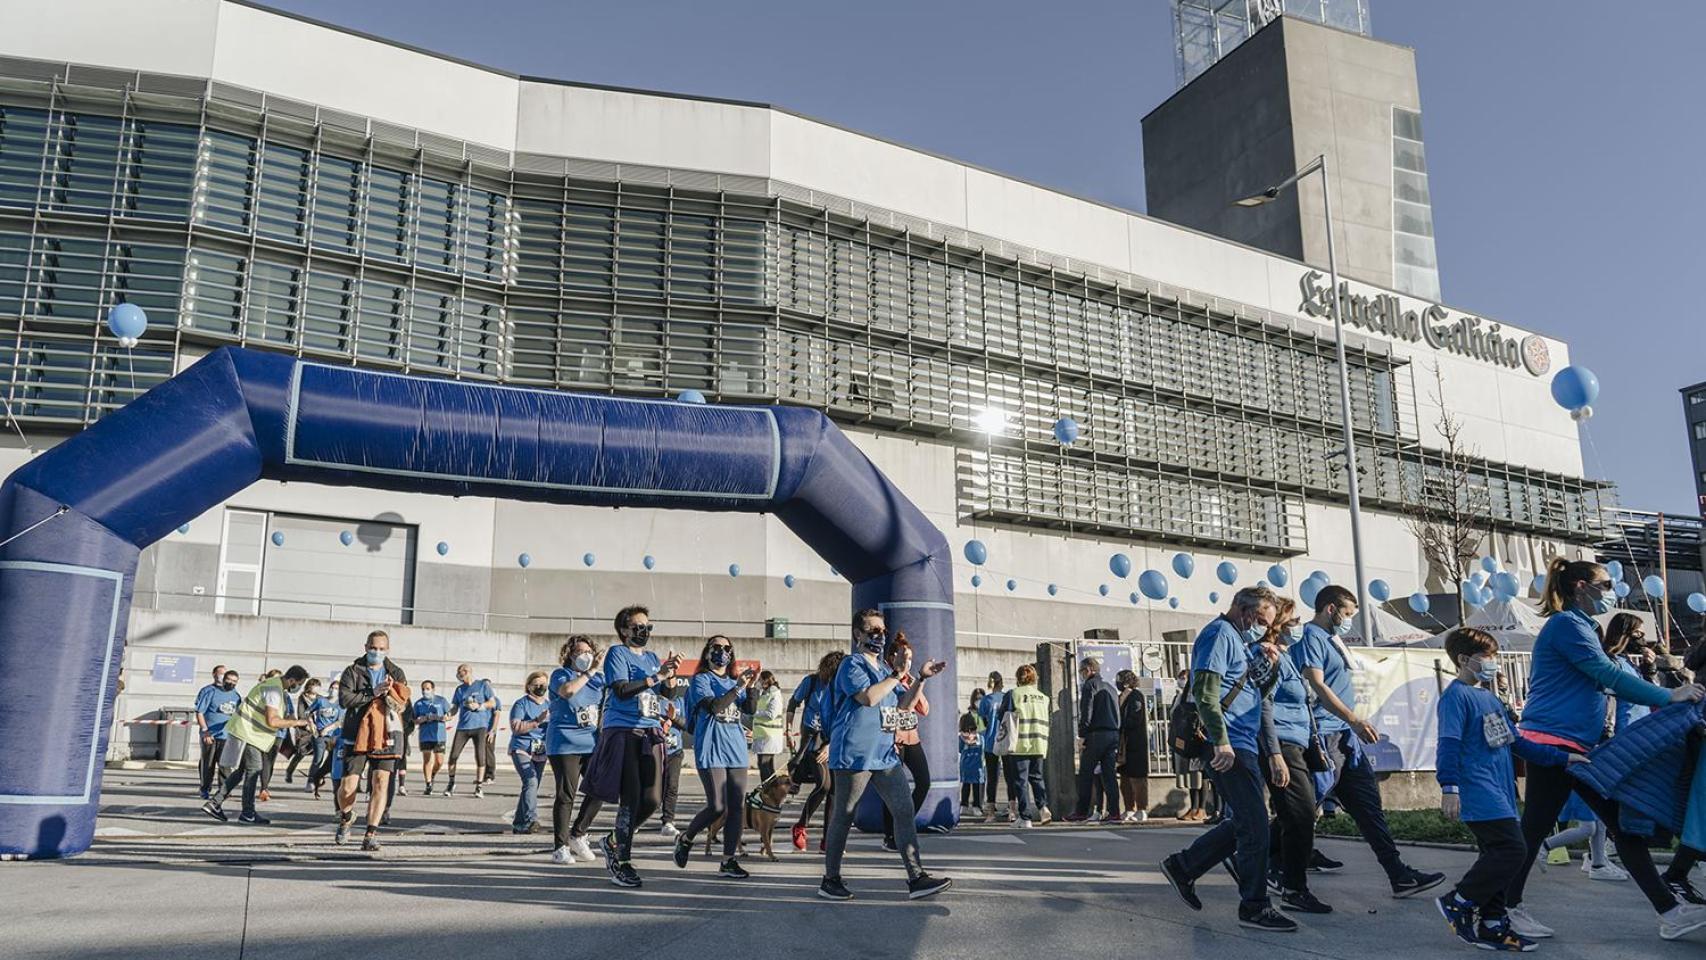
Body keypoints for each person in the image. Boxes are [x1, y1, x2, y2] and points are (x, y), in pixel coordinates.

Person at [1501, 557, 1706, 942]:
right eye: (1606, 584)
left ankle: (1671, 911)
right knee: (1534, 831)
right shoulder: (1565, 625)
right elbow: (1606, 674)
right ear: (1581, 586)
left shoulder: (1583, 626)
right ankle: (1504, 907)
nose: (1611, 592)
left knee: (1621, 827)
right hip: (1552, 743)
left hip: (1580, 746)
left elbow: (1605, 680)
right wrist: (1670, 694)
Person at [1291, 584, 1445, 898]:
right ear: (1330, 609)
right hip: (1324, 735)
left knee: (1368, 808)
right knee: (1303, 810)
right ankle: (1258, 856)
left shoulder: (1333, 639)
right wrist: (1353, 719)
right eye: (1347, 614)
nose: (1349, 621)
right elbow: (1317, 685)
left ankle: (1399, 875)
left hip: (1345, 737)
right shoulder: (1311, 637)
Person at [1434, 627, 1581, 952]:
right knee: (1513, 850)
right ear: (1464, 659)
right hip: (1477, 789)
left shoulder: (1489, 698)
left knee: (1500, 855)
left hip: (1500, 790)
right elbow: (1448, 744)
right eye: (1487, 657)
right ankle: (1459, 900)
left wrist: (1562, 758)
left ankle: (1492, 924)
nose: (1493, 663)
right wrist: (1450, 786)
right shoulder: (1455, 697)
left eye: (1494, 657)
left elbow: (1518, 743)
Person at [1159, 586, 1296, 932]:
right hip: (1227, 743)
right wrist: (1220, 741)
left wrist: (1271, 668)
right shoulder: (1219, 634)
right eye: (1260, 619)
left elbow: (1256, 694)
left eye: (1267, 623)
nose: (1263, 628)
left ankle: (1184, 866)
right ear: (1242, 609)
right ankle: (1254, 905)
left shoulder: (1241, 642)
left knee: (1249, 822)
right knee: (1255, 825)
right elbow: (1205, 691)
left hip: (1242, 742)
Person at [818, 609, 951, 901]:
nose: (879, 635)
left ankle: (916, 878)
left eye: (882, 630)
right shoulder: (851, 665)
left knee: (903, 811)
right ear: (857, 635)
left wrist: (920, 678)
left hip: (884, 754)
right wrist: (896, 674)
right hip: (855, 754)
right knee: (844, 814)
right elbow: (868, 698)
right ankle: (830, 879)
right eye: (872, 630)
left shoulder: (882, 670)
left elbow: (901, 707)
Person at [592, 604, 680, 888]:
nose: (644, 631)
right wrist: (657, 677)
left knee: (653, 798)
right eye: (638, 626)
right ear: (624, 630)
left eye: (647, 626)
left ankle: (613, 839)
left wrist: (671, 678)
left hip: (650, 730)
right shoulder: (618, 654)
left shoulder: (653, 657)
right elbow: (621, 689)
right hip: (624, 729)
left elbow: (663, 693)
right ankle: (623, 861)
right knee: (630, 798)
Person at [1258, 600, 1331, 915]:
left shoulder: (1287, 657)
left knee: (1296, 817)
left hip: (1297, 743)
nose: (1299, 626)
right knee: (1300, 818)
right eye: (1293, 621)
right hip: (1283, 745)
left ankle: (1283, 877)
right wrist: (1275, 754)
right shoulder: (1269, 656)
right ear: (1278, 625)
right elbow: (1263, 704)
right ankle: (1294, 888)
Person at [674, 634, 758, 878]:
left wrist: (750, 688)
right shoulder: (701, 679)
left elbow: (749, 709)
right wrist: (739, 687)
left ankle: (728, 860)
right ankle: (686, 838)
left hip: (736, 750)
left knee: (736, 807)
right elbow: (714, 706)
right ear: (707, 652)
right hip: (712, 749)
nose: (722, 652)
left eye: (726, 648)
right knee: (717, 806)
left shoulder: (733, 681)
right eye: (716, 647)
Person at [202, 665, 311, 825]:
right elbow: (272, 721)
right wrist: (298, 722)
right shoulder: (274, 691)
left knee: (241, 771)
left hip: (247, 732)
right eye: (299, 683)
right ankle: (247, 813)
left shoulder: (273, 685)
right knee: (254, 770)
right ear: (292, 680)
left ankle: (216, 803)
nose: (298, 687)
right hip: (248, 733)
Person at [333, 629, 410, 852]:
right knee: (347, 787)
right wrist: (373, 692)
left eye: (381, 649)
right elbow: (345, 699)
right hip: (356, 734)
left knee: (380, 783)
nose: (377, 652)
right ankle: (346, 817)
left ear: (388, 650)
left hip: (386, 734)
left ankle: (370, 834)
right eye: (373, 648)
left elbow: (403, 703)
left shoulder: (395, 672)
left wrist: (391, 695)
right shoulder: (352, 671)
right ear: (365, 647)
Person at [547, 635, 606, 865]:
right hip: (564, 742)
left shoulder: (599, 680)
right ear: (570, 655)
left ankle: (578, 833)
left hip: (590, 742)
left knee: (600, 787)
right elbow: (568, 691)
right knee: (566, 794)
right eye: (580, 652)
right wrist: (589, 671)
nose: (585, 656)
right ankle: (560, 847)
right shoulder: (560, 675)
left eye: (589, 651)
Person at [882, 633, 936, 846]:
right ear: (893, 657)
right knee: (892, 790)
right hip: (892, 740)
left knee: (924, 782)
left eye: (912, 659)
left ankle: (903, 824)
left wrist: (916, 682)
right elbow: (899, 706)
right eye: (906, 657)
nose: (909, 662)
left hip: (911, 738)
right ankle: (890, 835)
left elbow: (924, 708)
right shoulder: (886, 677)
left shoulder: (910, 680)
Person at [788, 650, 845, 852]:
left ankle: (827, 839)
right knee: (823, 785)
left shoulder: (843, 687)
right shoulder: (811, 682)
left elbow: (844, 718)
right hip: (813, 740)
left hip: (834, 742)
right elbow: (793, 702)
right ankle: (800, 826)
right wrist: (788, 727)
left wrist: (831, 745)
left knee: (835, 792)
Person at [1068, 656, 1121, 823]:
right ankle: (1115, 812)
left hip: (1096, 734)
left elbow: (1086, 711)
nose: (1081, 675)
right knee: (1109, 775)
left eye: (1082, 671)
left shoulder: (1090, 685)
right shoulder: (1111, 688)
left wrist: (1082, 735)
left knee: (1085, 774)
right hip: (1112, 733)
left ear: (1089, 670)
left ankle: (1081, 811)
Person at [1001, 663, 1052, 827]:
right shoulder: (1043, 697)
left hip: (1020, 743)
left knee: (1020, 781)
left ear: (1018, 678)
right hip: (1039, 743)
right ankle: (1043, 807)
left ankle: (1025, 817)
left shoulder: (1013, 694)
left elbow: (1001, 715)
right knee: (1037, 778)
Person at [509, 671, 550, 834]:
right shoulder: (521, 704)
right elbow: (516, 727)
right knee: (531, 781)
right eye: (537, 684)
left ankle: (519, 823)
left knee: (531, 786)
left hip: (541, 750)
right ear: (529, 686)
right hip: (522, 748)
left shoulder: (549, 705)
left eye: (544, 684)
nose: (541, 687)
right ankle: (531, 819)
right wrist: (537, 721)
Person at [445, 665, 495, 798]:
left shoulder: (482, 685)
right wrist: (449, 714)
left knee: (480, 756)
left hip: (480, 726)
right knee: (453, 756)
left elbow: (492, 703)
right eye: (458, 674)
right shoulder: (459, 689)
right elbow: (455, 706)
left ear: (467, 672)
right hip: (463, 727)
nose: (459, 676)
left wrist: (479, 706)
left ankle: (479, 786)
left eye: (460, 673)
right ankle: (451, 782)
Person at [193, 666, 239, 799]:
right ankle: (205, 788)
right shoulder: (209, 692)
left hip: (226, 735)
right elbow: (200, 712)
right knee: (208, 763)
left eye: (234, 681)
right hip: (210, 735)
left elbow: (237, 715)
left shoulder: (236, 696)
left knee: (225, 764)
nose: (231, 683)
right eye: (229, 679)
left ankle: (224, 789)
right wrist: (205, 731)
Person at [1169, 668, 1207, 821]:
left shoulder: (1200, 692)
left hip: (1198, 737)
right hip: (1186, 737)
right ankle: (1194, 807)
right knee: (1191, 776)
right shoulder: (1183, 695)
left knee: (1201, 775)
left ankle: (1202, 808)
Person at [1115, 669, 1150, 823]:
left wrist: (1120, 724)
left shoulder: (1136, 696)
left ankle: (1142, 809)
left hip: (1136, 743)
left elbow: (1134, 718)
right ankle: (1129, 808)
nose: (1118, 682)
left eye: (1120, 679)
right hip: (1123, 744)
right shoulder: (1120, 697)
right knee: (1124, 777)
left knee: (1138, 777)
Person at [657, 675, 689, 836]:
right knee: (652, 788)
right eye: (668, 680)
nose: (671, 684)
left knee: (672, 787)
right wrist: (661, 723)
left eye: (673, 680)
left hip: (675, 751)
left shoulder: (680, 701)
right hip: (655, 749)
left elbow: (686, 724)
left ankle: (668, 822)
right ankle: (637, 819)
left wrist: (673, 719)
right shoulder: (654, 698)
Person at [978, 671, 1009, 822]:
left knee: (992, 777)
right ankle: (1013, 810)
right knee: (1010, 776)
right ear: (1001, 682)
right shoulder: (1006, 697)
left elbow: (984, 721)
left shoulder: (985, 700)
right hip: (1006, 739)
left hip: (990, 740)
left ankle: (990, 813)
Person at [413, 680, 450, 795]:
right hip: (425, 735)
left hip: (439, 735)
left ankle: (433, 774)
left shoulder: (441, 701)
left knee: (439, 761)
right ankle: (428, 784)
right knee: (427, 760)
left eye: (428, 688)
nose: (425, 691)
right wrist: (422, 719)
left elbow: (449, 716)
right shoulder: (418, 703)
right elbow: (414, 719)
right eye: (423, 689)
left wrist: (440, 717)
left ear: (433, 689)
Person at [306, 681, 342, 798]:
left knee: (332, 761)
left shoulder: (340, 704)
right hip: (319, 735)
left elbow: (340, 721)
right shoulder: (321, 701)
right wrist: (312, 724)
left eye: (336, 688)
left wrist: (328, 728)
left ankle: (334, 785)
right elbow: (308, 712)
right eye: (332, 687)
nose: (333, 690)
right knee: (318, 758)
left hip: (333, 736)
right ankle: (311, 781)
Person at [283, 678, 322, 785]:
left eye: (318, 685)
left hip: (318, 729)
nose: (316, 688)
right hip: (305, 730)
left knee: (318, 754)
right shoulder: (303, 697)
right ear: (309, 686)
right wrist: (306, 724)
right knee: (301, 753)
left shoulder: (320, 698)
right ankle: (289, 771)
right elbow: (301, 712)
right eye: (314, 685)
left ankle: (314, 778)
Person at [752, 670, 786, 782]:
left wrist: (755, 713)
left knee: (765, 766)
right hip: (763, 735)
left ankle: (769, 792)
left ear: (765, 681)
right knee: (765, 766)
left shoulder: (774, 694)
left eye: (760, 680)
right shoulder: (765, 694)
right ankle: (770, 792)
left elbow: (771, 714)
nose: (758, 682)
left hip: (770, 736)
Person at [959, 712, 986, 817]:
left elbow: (959, 749)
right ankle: (976, 806)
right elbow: (983, 750)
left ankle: (964, 805)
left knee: (965, 787)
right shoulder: (980, 737)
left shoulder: (961, 738)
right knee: (977, 788)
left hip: (965, 766)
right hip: (978, 767)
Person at [483, 683, 501, 785]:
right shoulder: (480, 700)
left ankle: (490, 776)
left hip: (489, 731)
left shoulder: (495, 700)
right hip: (480, 730)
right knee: (481, 753)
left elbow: (497, 715)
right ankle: (482, 776)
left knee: (489, 752)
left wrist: (492, 731)